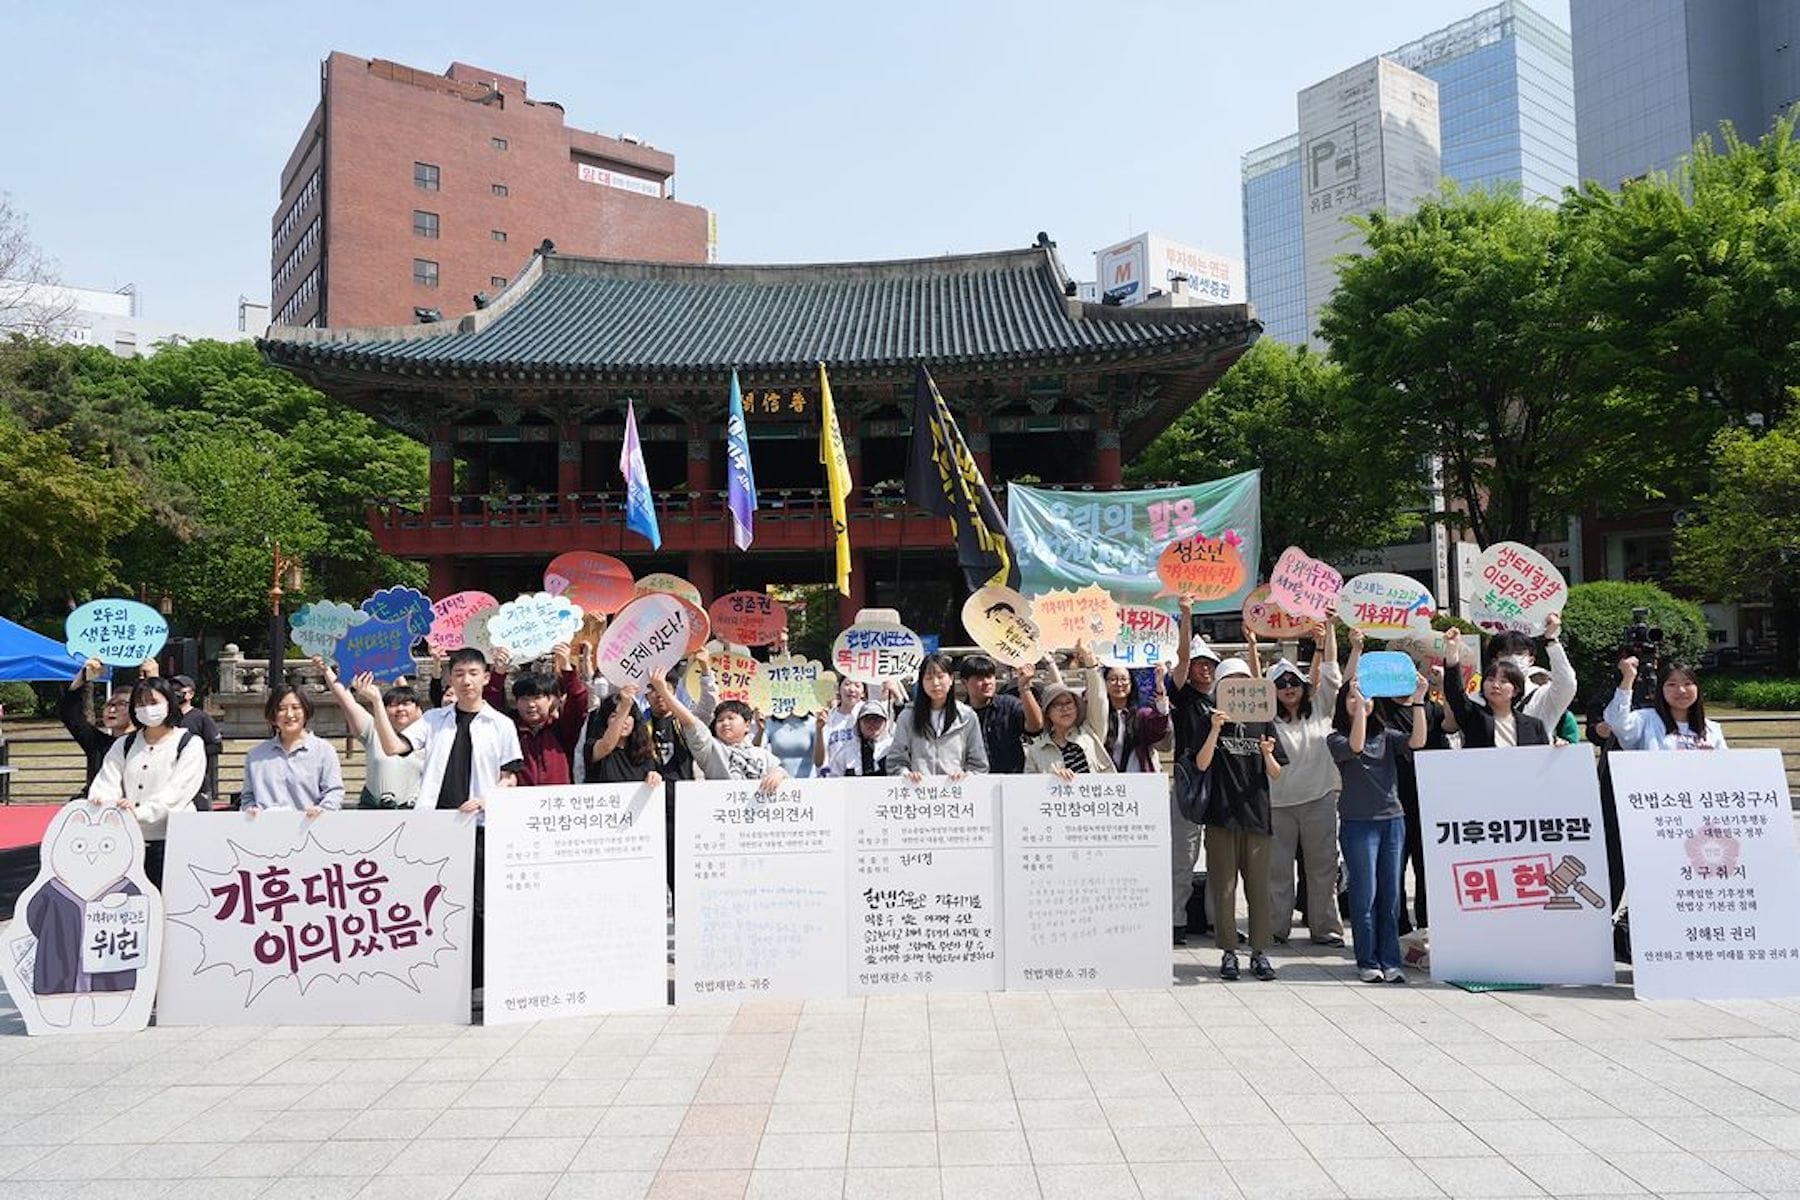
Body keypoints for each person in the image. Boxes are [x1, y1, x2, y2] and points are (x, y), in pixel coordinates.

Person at [373, 647, 523, 993]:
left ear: (486, 677)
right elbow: (394, 747)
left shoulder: (501, 724)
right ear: (451, 678)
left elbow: (511, 776)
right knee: (436, 903)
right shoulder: (434, 720)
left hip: (481, 826)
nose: (466, 680)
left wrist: (488, 799)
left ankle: (482, 982)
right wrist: (376, 703)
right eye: (459, 674)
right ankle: (439, 978)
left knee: (481, 905)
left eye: (473, 673)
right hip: (436, 825)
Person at [1247, 623, 1346, 947]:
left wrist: (1328, 629)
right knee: (1277, 873)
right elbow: (1255, 685)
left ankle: (1326, 928)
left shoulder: (1320, 710)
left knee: (1323, 869)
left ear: (1304, 686)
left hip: (1318, 799)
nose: (1288, 687)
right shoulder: (1265, 717)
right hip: (1277, 804)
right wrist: (1252, 643)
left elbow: (1331, 673)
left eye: (1294, 682)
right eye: (1281, 684)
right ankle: (1276, 928)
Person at [1330, 672, 1429, 983]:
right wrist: (1360, 708)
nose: (1362, 701)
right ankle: (1367, 959)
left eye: (1367, 697)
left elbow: (1418, 741)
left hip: (1393, 821)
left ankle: (1390, 959)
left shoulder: (1386, 734)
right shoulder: (1336, 738)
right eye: (1353, 697)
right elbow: (1356, 747)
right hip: (1358, 825)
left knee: (1391, 895)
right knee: (1365, 893)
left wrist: (1420, 699)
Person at [1194, 657, 1287, 980]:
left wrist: (1267, 754)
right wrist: (1215, 729)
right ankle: (1229, 951)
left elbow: (1276, 773)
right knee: (1223, 888)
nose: (1239, 687)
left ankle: (1260, 952)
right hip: (1221, 816)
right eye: (1231, 682)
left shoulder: (1264, 719)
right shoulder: (1209, 720)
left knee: (1259, 888)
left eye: (1243, 680)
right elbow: (1201, 764)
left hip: (1257, 815)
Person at [84, 677, 207, 889]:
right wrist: (104, 805)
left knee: (172, 904)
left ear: (169, 702)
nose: (147, 709)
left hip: (174, 839)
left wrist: (139, 812)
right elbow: (107, 780)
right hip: (128, 840)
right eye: (140, 704)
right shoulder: (125, 744)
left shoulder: (189, 743)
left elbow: (179, 791)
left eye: (153, 702)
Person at [1166, 595, 1215, 944]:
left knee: (1224, 859)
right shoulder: (1183, 697)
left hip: (1222, 783)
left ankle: (1218, 920)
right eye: (1199, 663)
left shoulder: (1225, 699)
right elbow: (1181, 659)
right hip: (1189, 783)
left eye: (1210, 664)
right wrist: (1187, 614)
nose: (1204, 668)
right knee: (1183, 856)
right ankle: (1176, 921)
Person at [315, 658, 426, 809]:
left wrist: (394, 669)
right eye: (392, 705)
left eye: (406, 704)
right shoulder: (373, 730)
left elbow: (410, 695)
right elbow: (345, 699)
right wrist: (326, 670)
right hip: (374, 812)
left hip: (417, 814)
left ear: (418, 708)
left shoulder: (426, 734)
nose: (400, 709)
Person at [646, 673, 787, 789]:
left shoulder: (762, 754)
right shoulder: (711, 748)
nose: (725, 723)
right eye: (720, 720)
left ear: (747, 725)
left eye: (731, 718)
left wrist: (778, 775)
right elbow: (692, 723)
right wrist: (663, 691)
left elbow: (782, 772)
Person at [489, 643, 589, 787]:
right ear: (516, 702)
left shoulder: (562, 729)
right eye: (524, 699)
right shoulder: (508, 730)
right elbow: (491, 702)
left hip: (557, 803)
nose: (531, 704)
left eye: (537, 697)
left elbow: (578, 700)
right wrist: (498, 673)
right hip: (519, 802)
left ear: (551, 700)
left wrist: (566, 667)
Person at [238, 686, 344, 817]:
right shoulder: (255, 756)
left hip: (310, 829)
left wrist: (322, 810)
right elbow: (247, 797)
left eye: (296, 707)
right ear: (273, 714)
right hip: (265, 831)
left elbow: (334, 792)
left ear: (306, 711)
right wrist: (250, 810)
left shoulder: (324, 751)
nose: (289, 714)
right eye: (282, 709)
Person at [1442, 629, 1549, 747]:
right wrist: (1452, 651)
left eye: (1503, 681)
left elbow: (1542, 757)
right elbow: (1454, 692)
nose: (1495, 685)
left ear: (1516, 690)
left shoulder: (1534, 726)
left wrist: (1559, 749)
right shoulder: (1473, 717)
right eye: (1490, 680)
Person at [891, 653, 990, 780]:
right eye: (929, 678)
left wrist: (965, 776)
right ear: (921, 682)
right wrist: (907, 775)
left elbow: (979, 765)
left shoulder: (967, 716)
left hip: (956, 793)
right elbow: (895, 762)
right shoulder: (907, 716)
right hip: (917, 792)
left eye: (940, 676)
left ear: (951, 679)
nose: (935, 683)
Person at [1482, 613, 1577, 739]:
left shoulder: (1542, 696)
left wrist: (1552, 641)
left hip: (1536, 757)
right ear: (1495, 660)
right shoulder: (1480, 697)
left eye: (1519, 653)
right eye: (1505, 653)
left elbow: (1567, 682)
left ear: (1531, 660)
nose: (1513, 658)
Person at [1605, 658, 1727, 750]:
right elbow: (1616, 722)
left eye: (1688, 684)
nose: (1681, 690)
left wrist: (1713, 759)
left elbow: (1726, 770)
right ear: (1661, 690)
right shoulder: (1645, 720)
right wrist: (1628, 678)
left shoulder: (1711, 729)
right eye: (1672, 684)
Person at [59, 658, 139, 790]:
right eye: (109, 704)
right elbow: (70, 715)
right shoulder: (97, 743)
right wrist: (84, 676)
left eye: (122, 704)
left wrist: (152, 677)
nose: (112, 709)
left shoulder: (146, 742)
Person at [957, 654, 1040, 774]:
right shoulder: (960, 715)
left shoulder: (1008, 704)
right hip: (974, 784)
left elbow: (1035, 727)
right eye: (980, 678)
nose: (987, 682)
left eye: (990, 676)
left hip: (1011, 783)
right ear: (965, 682)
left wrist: (1025, 688)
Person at [1023, 672, 1114, 778]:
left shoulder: (1090, 732)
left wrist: (1091, 666)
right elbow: (1030, 787)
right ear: (1047, 712)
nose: (1065, 708)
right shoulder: (1035, 751)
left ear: (1076, 707)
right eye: (1057, 704)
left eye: (1069, 702)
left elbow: (1099, 699)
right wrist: (1052, 779)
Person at [1098, 662, 1171, 775]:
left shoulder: (1141, 715)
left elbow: (1159, 728)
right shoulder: (1099, 717)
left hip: (1138, 781)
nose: (1119, 684)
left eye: (1124, 679)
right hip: (1107, 781)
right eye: (1112, 679)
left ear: (1131, 683)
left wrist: (1160, 686)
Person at [171, 673, 223, 810]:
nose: (175, 693)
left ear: (190, 694)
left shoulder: (201, 718)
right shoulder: (168, 719)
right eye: (172, 690)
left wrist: (193, 753)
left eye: (179, 690)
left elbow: (216, 745)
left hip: (197, 782)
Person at [826, 700, 894, 777]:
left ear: (885, 723)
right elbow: (833, 779)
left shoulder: (892, 749)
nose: (872, 724)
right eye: (867, 719)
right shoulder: (846, 751)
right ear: (858, 723)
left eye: (877, 720)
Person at [815, 676, 867, 772]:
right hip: (835, 780)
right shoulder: (828, 717)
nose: (852, 689)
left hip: (861, 779)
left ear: (863, 693)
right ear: (838, 689)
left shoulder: (868, 714)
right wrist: (819, 730)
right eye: (847, 684)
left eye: (857, 686)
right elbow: (818, 762)